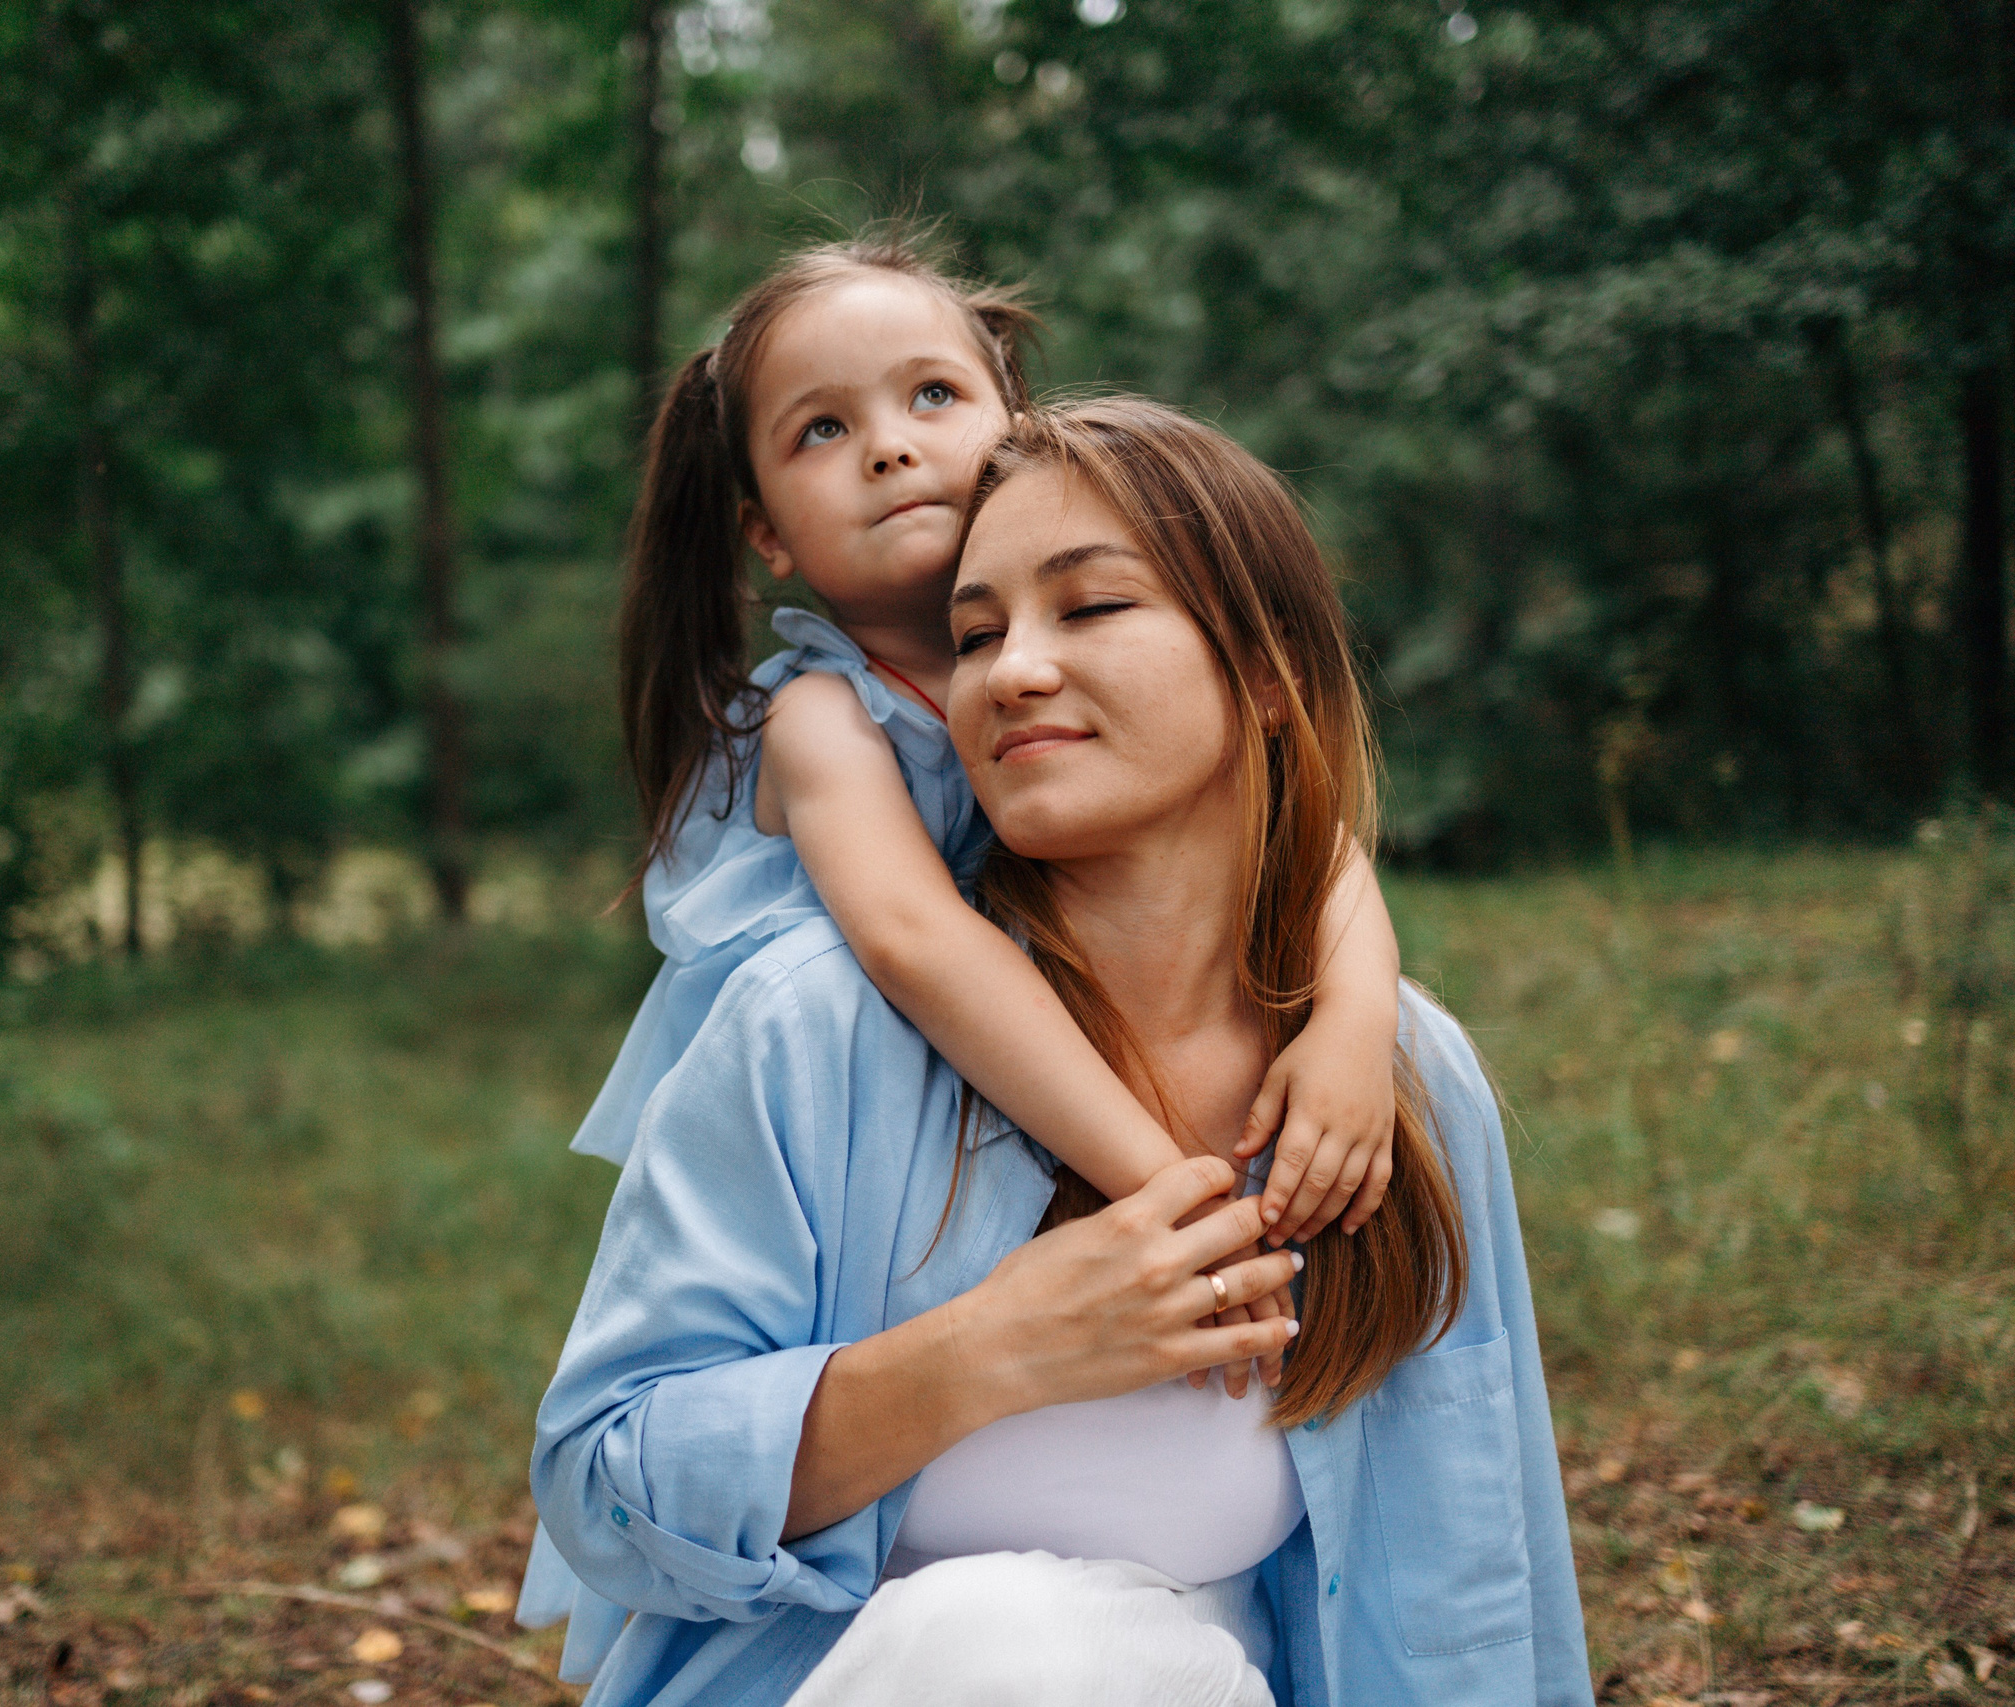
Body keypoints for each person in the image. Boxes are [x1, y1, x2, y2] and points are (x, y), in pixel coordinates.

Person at [530, 398, 1592, 1706]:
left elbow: (1493, 1572)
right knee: (1025, 1640)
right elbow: (600, 1479)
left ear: (1265, 674)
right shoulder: (810, 1026)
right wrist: (981, 1352)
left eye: (1089, 608)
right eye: (973, 634)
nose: (1012, 669)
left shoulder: (1394, 1079)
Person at [582, 227, 1406, 1252]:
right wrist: (1169, 1196)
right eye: (822, 430)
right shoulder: (820, 719)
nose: (889, 447)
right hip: (848, 1124)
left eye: (932, 395)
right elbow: (918, 946)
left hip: (1019, 1075)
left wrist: (1356, 1028)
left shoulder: (1099, 685)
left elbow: (1302, 840)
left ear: (1014, 430)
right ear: (769, 537)